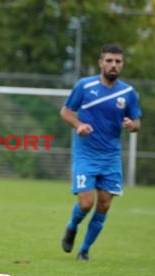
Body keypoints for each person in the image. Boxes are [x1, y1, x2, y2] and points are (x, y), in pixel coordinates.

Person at [60, 44, 142, 261]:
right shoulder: (84, 86)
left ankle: (84, 250)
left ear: (122, 64)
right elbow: (66, 112)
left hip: (111, 157)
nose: (114, 65)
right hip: (86, 154)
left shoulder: (128, 93)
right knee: (86, 203)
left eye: (118, 61)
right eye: (109, 60)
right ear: (101, 63)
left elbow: (137, 122)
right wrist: (78, 125)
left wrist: (131, 125)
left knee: (104, 205)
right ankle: (72, 226)